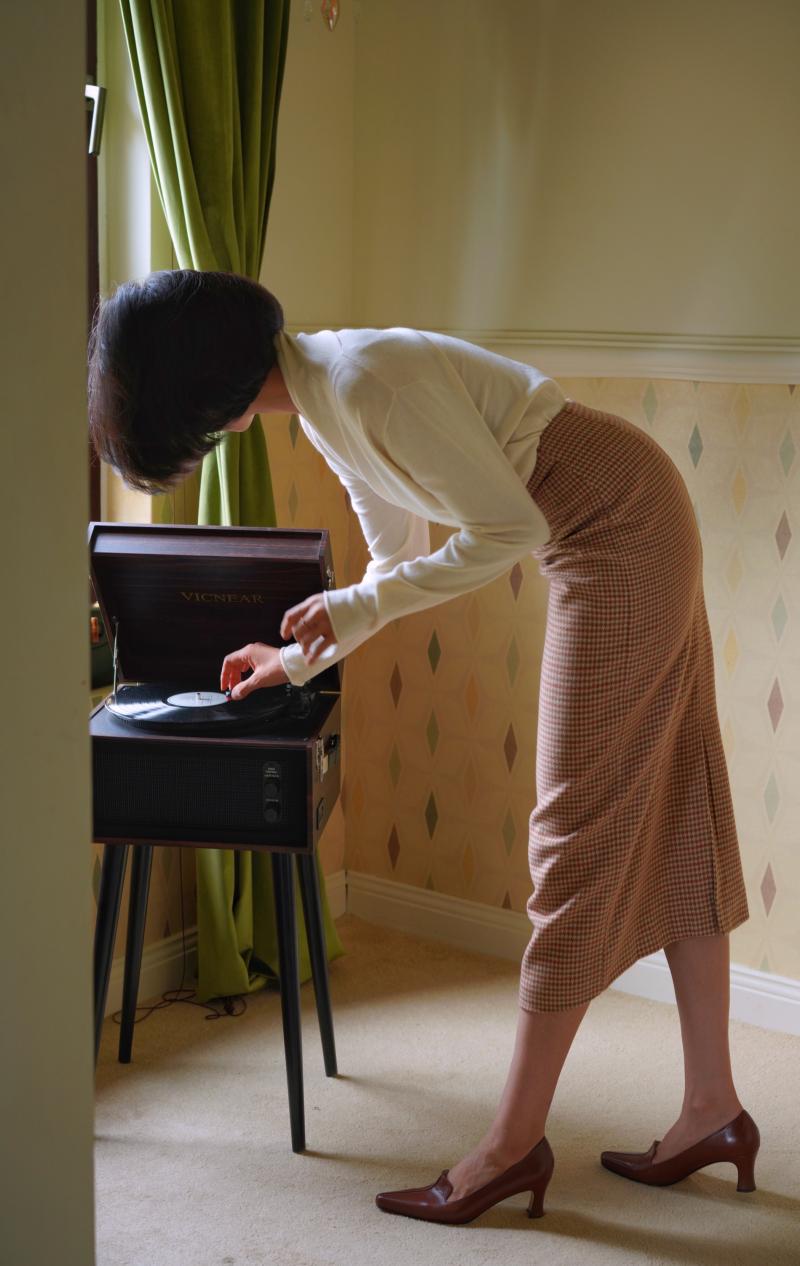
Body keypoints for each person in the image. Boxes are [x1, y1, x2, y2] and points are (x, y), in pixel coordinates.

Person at [88, 268, 759, 1226]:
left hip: (618, 530)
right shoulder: (325, 395)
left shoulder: (360, 383)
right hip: (617, 517)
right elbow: (400, 566)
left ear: (205, 399)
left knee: (570, 839)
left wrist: (348, 609)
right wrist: (292, 658)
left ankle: (508, 1148)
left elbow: (506, 528)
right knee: (681, 799)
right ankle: (712, 1110)